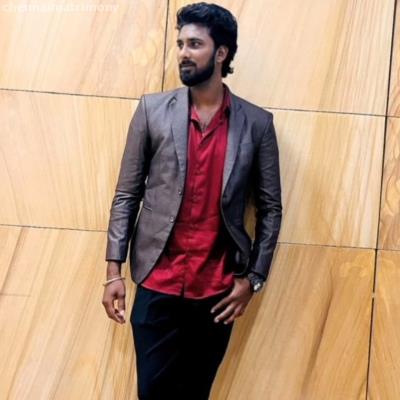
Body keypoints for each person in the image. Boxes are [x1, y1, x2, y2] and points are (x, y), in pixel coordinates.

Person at [102, 2, 282, 399]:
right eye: (180, 43)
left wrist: (253, 279)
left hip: (217, 292)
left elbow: (270, 209)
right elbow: (127, 193)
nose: (183, 52)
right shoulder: (152, 111)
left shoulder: (256, 124)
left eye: (195, 44)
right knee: (152, 393)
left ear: (221, 53)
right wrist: (114, 271)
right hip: (158, 283)